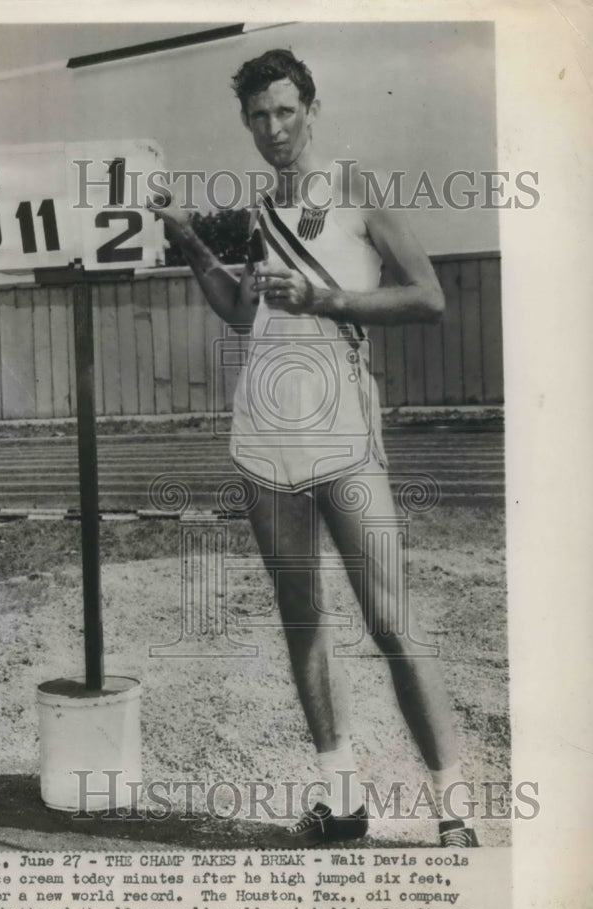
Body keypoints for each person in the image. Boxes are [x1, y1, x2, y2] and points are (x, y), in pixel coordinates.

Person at [150, 49, 477, 848]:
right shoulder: (261, 213)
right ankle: (343, 802)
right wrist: (189, 239)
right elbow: (239, 314)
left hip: (343, 438)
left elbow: (427, 296)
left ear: (311, 109)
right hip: (263, 437)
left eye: (285, 111)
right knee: (303, 623)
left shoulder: (357, 189)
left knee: (392, 624)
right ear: (246, 123)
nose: (273, 129)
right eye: (258, 116)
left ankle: (455, 811)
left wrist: (325, 296)